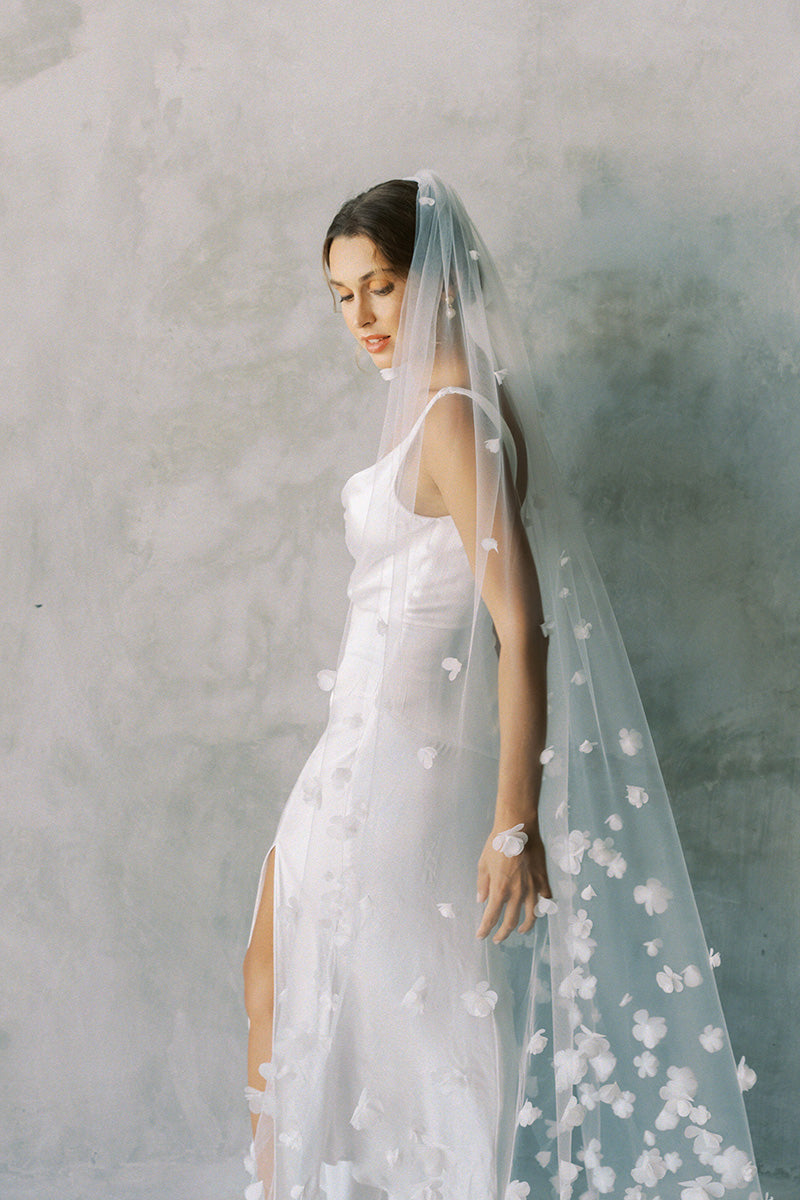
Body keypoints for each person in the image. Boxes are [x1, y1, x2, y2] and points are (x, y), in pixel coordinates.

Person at [243, 172, 764, 1200]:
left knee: (406, 1018)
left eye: (381, 287)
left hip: (398, 768)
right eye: (342, 295)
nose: (362, 318)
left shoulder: (450, 416)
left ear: (434, 278)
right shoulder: (450, 402)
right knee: (279, 982)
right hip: (351, 750)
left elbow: (519, 625)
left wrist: (512, 824)